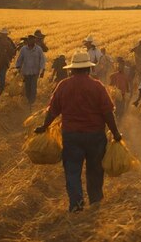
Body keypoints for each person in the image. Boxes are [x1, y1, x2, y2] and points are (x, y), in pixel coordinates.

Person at [34, 51, 122, 213]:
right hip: (95, 136)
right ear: (88, 69)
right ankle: (95, 201)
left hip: (71, 136)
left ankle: (76, 203)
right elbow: (108, 112)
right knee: (95, 170)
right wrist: (115, 132)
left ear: (72, 70)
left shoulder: (63, 86)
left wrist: (44, 126)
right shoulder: (97, 86)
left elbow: (52, 111)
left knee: (72, 170)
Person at [15, 35, 46, 107]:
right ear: (28, 40)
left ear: (34, 41)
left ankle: (32, 102)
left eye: (32, 40)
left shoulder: (38, 49)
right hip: (26, 72)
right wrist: (18, 67)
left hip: (35, 72)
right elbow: (20, 58)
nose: (30, 41)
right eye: (29, 40)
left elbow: (42, 60)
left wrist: (43, 70)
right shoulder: (23, 49)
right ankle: (29, 100)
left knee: (33, 87)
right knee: (27, 87)